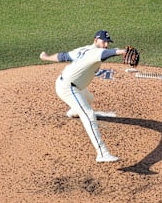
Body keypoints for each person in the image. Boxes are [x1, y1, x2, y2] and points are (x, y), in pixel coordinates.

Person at [40, 30, 127, 163]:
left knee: (89, 99)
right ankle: (102, 153)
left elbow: (63, 56)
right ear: (96, 40)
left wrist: (46, 57)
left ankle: (73, 112)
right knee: (89, 114)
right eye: (103, 41)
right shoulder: (96, 52)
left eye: (107, 42)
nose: (105, 45)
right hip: (68, 88)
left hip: (75, 86)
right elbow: (108, 53)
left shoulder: (84, 49)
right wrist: (122, 51)